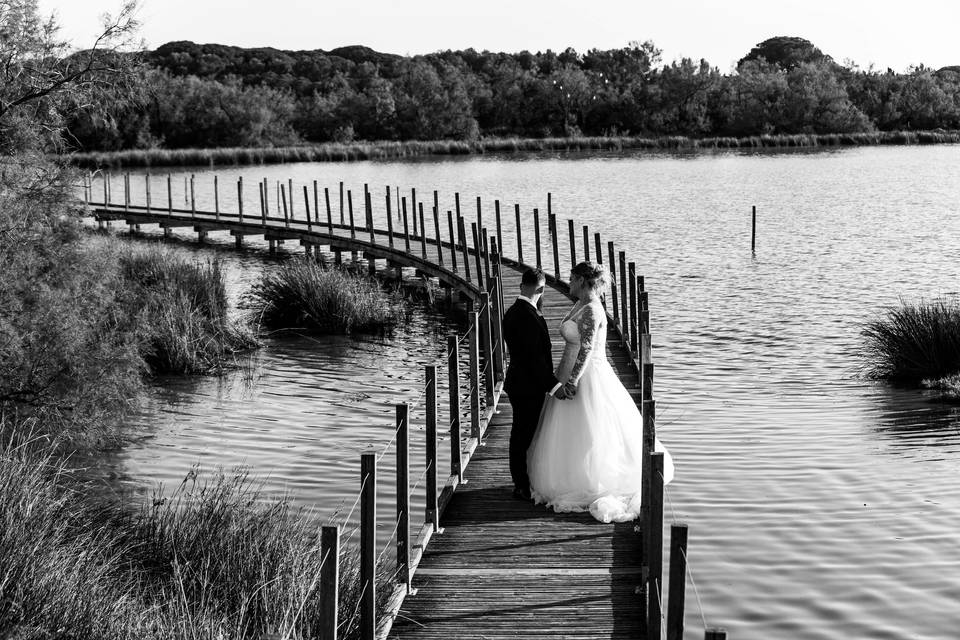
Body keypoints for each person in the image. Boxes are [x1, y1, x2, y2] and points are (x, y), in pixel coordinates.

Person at [527, 261, 674, 523]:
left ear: (583, 281)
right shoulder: (580, 304)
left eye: (572, 279)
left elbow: (586, 349)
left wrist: (571, 382)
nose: (568, 283)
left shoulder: (593, 310)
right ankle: (568, 474)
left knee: (591, 428)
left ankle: (592, 481)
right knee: (568, 430)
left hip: (587, 376)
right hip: (568, 370)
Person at [502, 268, 573, 501]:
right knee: (523, 435)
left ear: (522, 285)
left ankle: (523, 480)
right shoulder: (528, 317)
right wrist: (554, 387)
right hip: (527, 386)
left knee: (522, 433)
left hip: (519, 381)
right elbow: (534, 360)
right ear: (541, 289)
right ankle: (521, 485)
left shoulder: (513, 311)